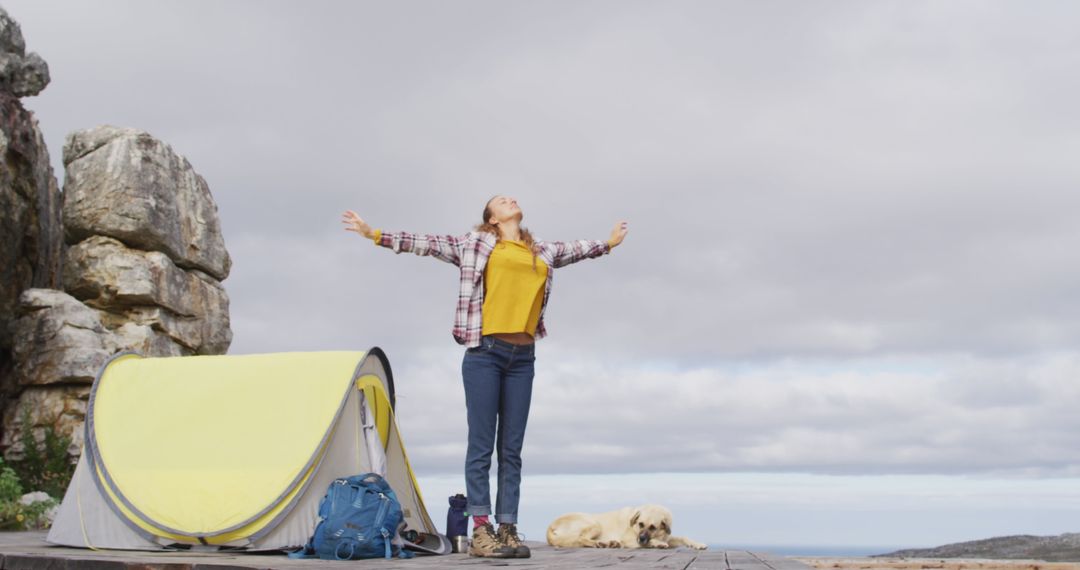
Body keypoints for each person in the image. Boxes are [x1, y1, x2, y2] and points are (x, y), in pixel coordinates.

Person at [342, 196, 628, 558]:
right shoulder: (475, 244)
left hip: (523, 357)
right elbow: (426, 244)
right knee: (481, 446)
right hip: (485, 354)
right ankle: (481, 530)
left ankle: (507, 528)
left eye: (512, 198)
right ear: (491, 219)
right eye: (500, 201)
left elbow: (577, 249)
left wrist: (609, 243)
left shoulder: (541, 251)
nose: (510, 200)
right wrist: (374, 234)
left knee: (512, 450)